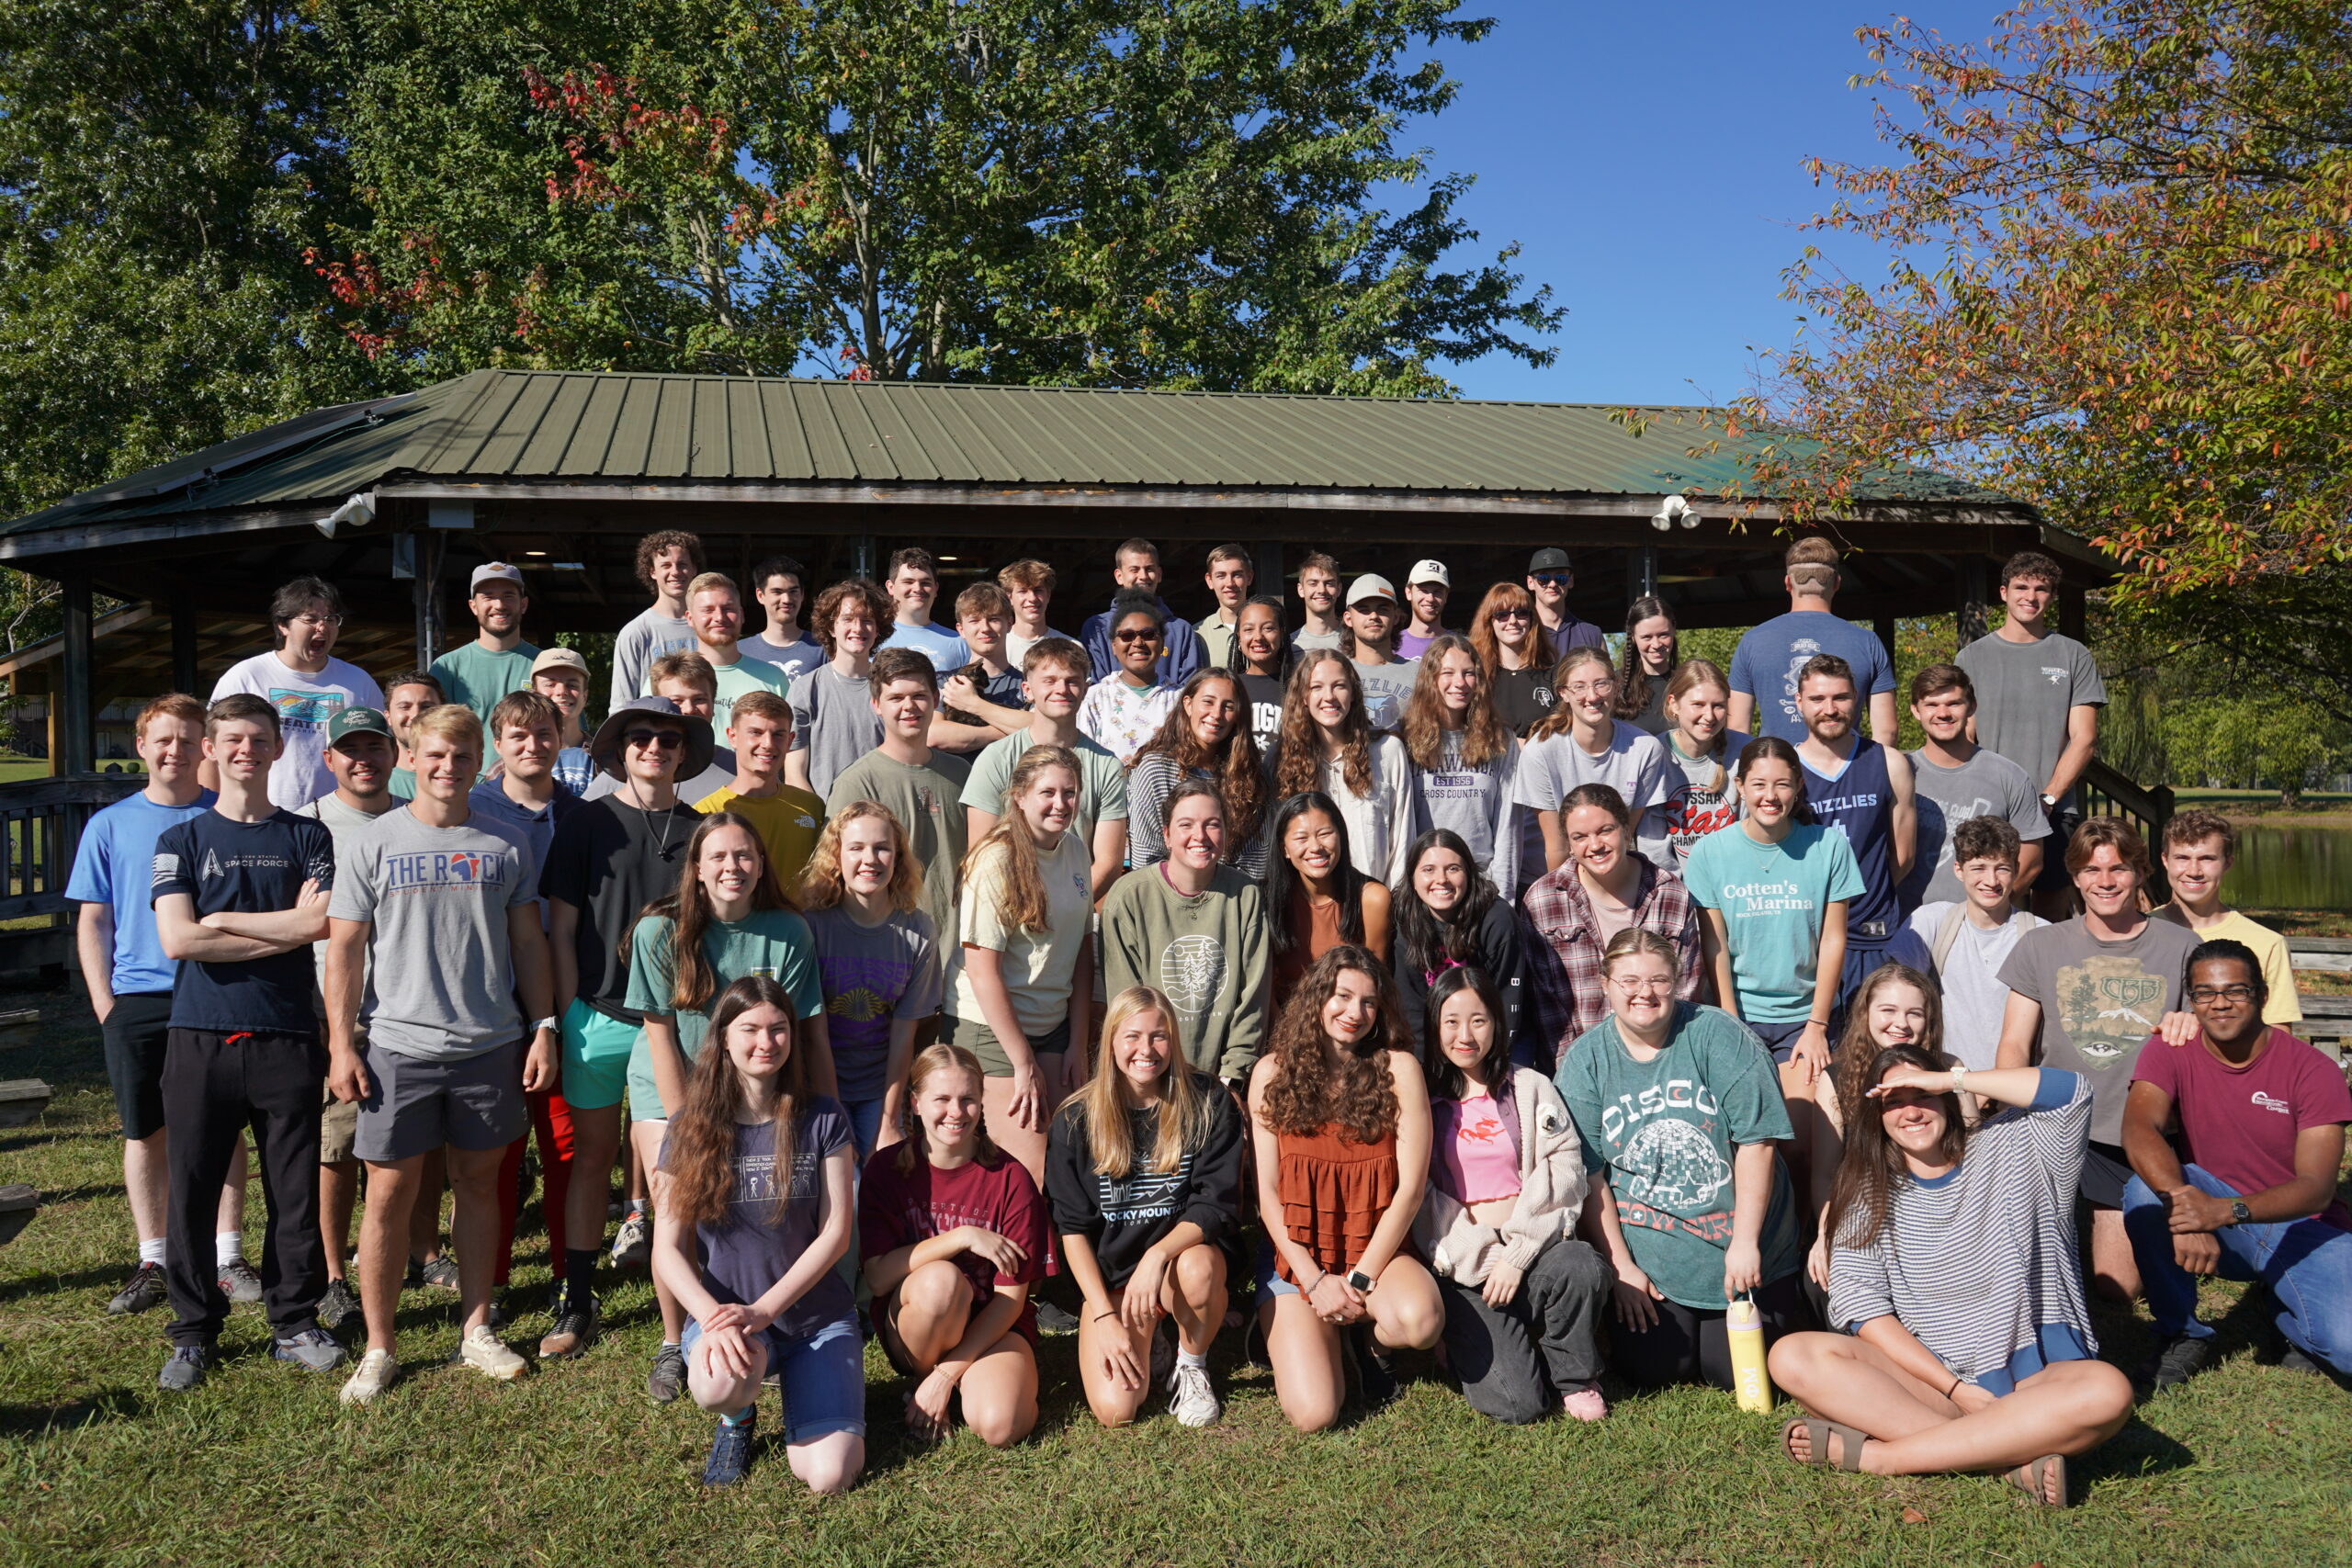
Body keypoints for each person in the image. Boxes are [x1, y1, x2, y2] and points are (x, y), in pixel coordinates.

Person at [1770, 1049, 2131, 1508]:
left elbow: (2072, 1093)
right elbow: (1861, 1306)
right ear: (1877, 1119)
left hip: (2039, 1378)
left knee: (2107, 1391)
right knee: (1792, 1356)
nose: (1911, 1111)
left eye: (1923, 1094)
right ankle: (2005, 1458)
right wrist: (1956, 1389)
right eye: (1894, 1102)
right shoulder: (1866, 1191)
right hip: (1937, 1382)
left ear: (1945, 1098)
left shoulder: (2017, 1147)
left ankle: (1883, 1457)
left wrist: (1953, 1079)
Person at [324, 704, 555, 1403]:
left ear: (480, 760)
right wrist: (340, 1044)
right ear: (410, 757)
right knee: (388, 1193)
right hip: (398, 1045)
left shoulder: (507, 843)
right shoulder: (373, 842)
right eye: (434, 754)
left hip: (490, 1044)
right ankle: (379, 1346)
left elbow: (528, 941)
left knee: (479, 1185)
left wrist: (543, 1026)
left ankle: (476, 1327)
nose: (448, 767)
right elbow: (344, 949)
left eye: (461, 755)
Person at [149, 694, 341, 1391]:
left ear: (278, 748)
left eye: (259, 739)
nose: (245, 751)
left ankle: (294, 1321)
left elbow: (318, 926)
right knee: (192, 1190)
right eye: (231, 739)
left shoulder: (308, 835)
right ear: (211, 748)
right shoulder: (181, 841)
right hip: (200, 1034)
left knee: (294, 1189)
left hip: (287, 1033)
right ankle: (193, 1332)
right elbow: (179, 939)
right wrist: (279, 927)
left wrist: (222, 919)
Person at [627, 811, 830, 1402]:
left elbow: (809, 1032)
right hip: (675, 1086)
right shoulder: (659, 933)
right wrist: (687, 1130)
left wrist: (832, 1116)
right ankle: (677, 1340)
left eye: (744, 855)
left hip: (759, 1088)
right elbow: (660, 1033)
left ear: (761, 866)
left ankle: (768, 1321)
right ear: (696, 869)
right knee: (678, 1203)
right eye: (717, 856)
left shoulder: (788, 931)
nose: (731, 867)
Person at [537, 693, 712, 1359]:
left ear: (683, 752)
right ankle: (578, 1297)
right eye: (641, 737)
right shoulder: (586, 822)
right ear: (620, 749)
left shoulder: (703, 831)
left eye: (668, 739)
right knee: (590, 1159)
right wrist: (564, 1015)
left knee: (676, 1171)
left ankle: (690, 1309)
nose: (654, 748)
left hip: (673, 1021)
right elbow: (561, 929)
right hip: (597, 1014)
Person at [1560, 929, 1808, 1391]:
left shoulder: (1720, 1036)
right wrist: (1622, 1268)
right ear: (1605, 983)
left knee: (1732, 1373)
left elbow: (1758, 1143)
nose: (1644, 993)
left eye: (1658, 980)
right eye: (1629, 980)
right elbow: (1591, 1176)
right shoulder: (1585, 1062)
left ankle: (1778, 1295)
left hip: (1738, 1241)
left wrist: (1745, 1243)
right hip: (1656, 1251)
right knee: (1655, 1369)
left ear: (1677, 981)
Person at [651, 976, 863, 1493]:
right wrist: (713, 1319)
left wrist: (765, 1310)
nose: (766, 1042)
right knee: (718, 1384)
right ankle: (738, 1416)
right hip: (730, 1319)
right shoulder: (688, 1128)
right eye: (750, 1029)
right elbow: (667, 1250)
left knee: (830, 1476)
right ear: (723, 1038)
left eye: (778, 1028)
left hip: (816, 1318)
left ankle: (806, 1384)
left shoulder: (824, 1118)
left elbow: (836, 1233)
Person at [67, 694, 238, 1318]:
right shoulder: (109, 825)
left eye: (188, 740)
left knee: (224, 1125)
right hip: (137, 996)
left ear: (206, 749)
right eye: (163, 740)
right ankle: (154, 1258)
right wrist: (105, 1003)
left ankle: (228, 1255)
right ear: (141, 746)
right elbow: (94, 920)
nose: (176, 751)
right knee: (145, 1129)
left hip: (216, 992)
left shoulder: (225, 815)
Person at [2122, 939, 2352, 1387]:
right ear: (2191, 1000)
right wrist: (2186, 1205)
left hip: (2302, 1226)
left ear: (2262, 995)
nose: (2220, 1003)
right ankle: (2181, 1332)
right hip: (2215, 1214)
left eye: (2236, 990)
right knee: (2144, 1189)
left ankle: (2283, 1311)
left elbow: (2317, 1188)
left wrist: (2222, 1211)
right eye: (2205, 993)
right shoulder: (2170, 1050)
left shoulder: (2313, 1070)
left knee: (2346, 1350)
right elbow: (2139, 1129)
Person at [1994, 817, 2198, 1301]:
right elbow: (2015, 1043)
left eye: (2118, 869)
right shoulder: (2041, 945)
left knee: (2117, 1290)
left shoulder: (2184, 947)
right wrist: (2006, 1121)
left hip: (2130, 1131)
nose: (2105, 881)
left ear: (2141, 873)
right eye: (2091, 870)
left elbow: (2213, 1038)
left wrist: (2193, 1026)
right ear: (2075, 877)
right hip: (2056, 1120)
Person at [1249, 946, 1445, 1426]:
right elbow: (1267, 1196)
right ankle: (1291, 1327)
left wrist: (1358, 1281)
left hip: (1375, 1254)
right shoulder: (1271, 1073)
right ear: (1317, 997)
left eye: (1369, 1002)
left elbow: (1410, 1191)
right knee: (1315, 1414)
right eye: (1342, 996)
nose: (1354, 1012)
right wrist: (1315, 1282)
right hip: (1297, 1262)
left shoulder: (1399, 1070)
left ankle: (1371, 1342)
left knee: (1422, 1323)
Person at [1415, 966, 1613, 1424]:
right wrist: (1487, 1260)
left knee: (1580, 1264)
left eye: (1479, 1020)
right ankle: (1478, 1339)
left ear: (1498, 1023)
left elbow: (1564, 1168)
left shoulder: (1531, 1086)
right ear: (1434, 1026)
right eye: (1451, 1022)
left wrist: (1518, 1254)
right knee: (1519, 1404)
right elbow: (1418, 1196)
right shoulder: (1422, 1098)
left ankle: (1576, 1376)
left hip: (1535, 1249)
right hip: (1465, 1266)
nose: (1466, 1035)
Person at [1049, 986, 1247, 1427]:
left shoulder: (1207, 1101)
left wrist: (1157, 1256)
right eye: (1132, 1036)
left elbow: (1216, 1205)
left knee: (1200, 1269)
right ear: (1110, 1042)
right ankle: (1155, 1334)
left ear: (1173, 1040)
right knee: (1117, 1411)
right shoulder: (1075, 1119)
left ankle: (1190, 1364)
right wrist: (1104, 1314)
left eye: (1159, 1036)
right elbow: (1072, 1229)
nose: (1147, 1050)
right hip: (1117, 1280)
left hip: (1178, 1266)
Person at [860, 1042, 1046, 1448]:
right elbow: (877, 1278)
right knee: (941, 1281)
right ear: (915, 1103)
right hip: (918, 1326)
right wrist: (962, 1236)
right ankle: (923, 1379)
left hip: (992, 1325)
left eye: (967, 1099)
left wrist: (948, 1374)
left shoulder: (1011, 1178)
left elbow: (1011, 1299)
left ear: (982, 1102)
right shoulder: (885, 1170)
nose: (956, 1112)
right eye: (941, 1099)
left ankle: (946, 1384)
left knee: (1002, 1425)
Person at [467, 691, 584, 1309]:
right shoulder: (473, 810)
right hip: (491, 1001)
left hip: (565, 1000)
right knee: (497, 1150)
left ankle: (568, 1271)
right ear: (498, 743)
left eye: (543, 733)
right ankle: (493, 1277)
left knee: (565, 1145)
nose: (532, 745)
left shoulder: (583, 814)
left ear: (560, 739)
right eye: (518, 735)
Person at [945, 745, 1096, 1179]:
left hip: (1053, 1023)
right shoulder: (995, 859)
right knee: (1029, 1168)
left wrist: (1077, 1042)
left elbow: (1082, 949)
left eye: (1070, 793)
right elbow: (982, 971)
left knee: (1072, 1153)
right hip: (992, 1027)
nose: (1061, 804)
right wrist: (1023, 1062)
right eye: (1048, 792)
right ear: (1019, 796)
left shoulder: (1075, 850)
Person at [297, 707, 403, 1322]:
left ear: (394, 753)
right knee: (335, 1144)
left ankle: (423, 1249)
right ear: (329, 758)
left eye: (375, 746)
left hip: (407, 1003)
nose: (364, 759)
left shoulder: (416, 815)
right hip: (336, 1006)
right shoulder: (308, 824)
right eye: (351, 749)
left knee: (412, 1143)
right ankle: (334, 1271)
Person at [1683, 739, 1862, 1077]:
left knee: (1802, 1109)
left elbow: (1833, 939)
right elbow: (1714, 945)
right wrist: (1731, 1024)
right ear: (1740, 786)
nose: (1770, 796)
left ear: (1799, 786)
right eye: (1759, 784)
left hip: (1805, 1019)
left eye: (1782, 784)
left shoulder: (1829, 847)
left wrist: (1817, 1025)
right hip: (1739, 1015)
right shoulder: (1709, 852)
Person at [1955, 551, 2103, 918]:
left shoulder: (2073, 655)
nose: (2030, 597)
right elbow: (1965, 736)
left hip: (2055, 807)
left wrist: (2048, 799)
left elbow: (2084, 738)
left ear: (2052, 596)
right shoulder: (1971, 657)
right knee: (1992, 905)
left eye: (2041, 589)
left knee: (2050, 911)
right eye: (2021, 587)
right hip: (1989, 806)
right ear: (2004, 592)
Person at [1102, 781, 1271, 1089]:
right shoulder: (1129, 897)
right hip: (1150, 1075)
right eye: (1186, 825)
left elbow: (1253, 996)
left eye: (1212, 825)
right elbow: (1126, 1005)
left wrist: (1232, 1076)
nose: (1200, 836)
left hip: (1222, 1080)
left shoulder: (1245, 894)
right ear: (1166, 834)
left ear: (1226, 833)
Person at [798, 803, 944, 1156]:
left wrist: (890, 1120)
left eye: (882, 848)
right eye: (856, 848)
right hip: (816, 1085)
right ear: (837, 856)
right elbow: (814, 1033)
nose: (870, 859)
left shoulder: (918, 930)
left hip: (880, 1087)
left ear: (897, 857)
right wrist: (834, 1117)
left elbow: (904, 1035)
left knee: (880, 1174)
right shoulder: (812, 926)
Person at [1521, 784, 1702, 1067]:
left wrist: (1655, 1065)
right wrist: (1577, 1072)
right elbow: (1546, 1007)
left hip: (1658, 1061)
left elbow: (1683, 991)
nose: (1595, 845)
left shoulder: (1670, 894)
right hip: (1576, 1066)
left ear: (1626, 831)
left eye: (1605, 831)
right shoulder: (1543, 900)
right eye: (1580, 837)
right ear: (1569, 844)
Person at [962, 637, 1129, 900]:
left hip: (1076, 906)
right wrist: (1025, 909)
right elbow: (981, 851)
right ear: (1027, 690)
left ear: (1085, 690)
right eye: (1049, 681)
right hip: (1008, 904)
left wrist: (1066, 908)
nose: (1061, 689)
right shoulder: (995, 758)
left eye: (1072, 681)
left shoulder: (1107, 766)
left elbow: (1108, 862)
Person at [827, 649, 970, 953]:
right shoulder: (857, 783)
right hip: (891, 953)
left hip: (962, 953)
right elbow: (836, 879)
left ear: (935, 698)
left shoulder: (962, 774)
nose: (909, 706)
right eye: (896, 698)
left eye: (919, 695)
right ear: (876, 705)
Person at [1792, 654, 1917, 994]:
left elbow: (1904, 857)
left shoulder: (1889, 763)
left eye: (1840, 697)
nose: (1829, 709)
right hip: (1804, 939)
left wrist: (1863, 895)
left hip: (1872, 935)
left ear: (1856, 699)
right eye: (1818, 698)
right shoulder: (1784, 770)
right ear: (1799, 702)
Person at [209, 575, 385, 809]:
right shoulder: (247, 676)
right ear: (283, 625)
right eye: (311, 619)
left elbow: (384, 749)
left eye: (331, 619)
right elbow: (211, 756)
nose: (322, 627)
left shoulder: (358, 681)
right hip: (262, 815)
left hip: (339, 817)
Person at [1887, 817, 2045, 1071]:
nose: (1991, 881)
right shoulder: (1933, 920)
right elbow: (1894, 991)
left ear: (2016, 869)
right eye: (1979, 868)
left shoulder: (2039, 933)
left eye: (2002, 869)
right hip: (1944, 1079)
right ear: (1959, 870)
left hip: (2016, 1081)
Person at [1901, 663, 2047, 910]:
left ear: (1972, 706)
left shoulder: (2009, 776)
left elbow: (2031, 860)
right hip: (1907, 923)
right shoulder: (1899, 774)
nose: (1943, 713)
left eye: (1954, 703)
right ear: (1916, 710)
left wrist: (1988, 910)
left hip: (1983, 923)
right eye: (1932, 705)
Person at [1516, 645, 1673, 871]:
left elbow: (1624, 837)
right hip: (1557, 872)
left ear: (1615, 686)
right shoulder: (1540, 752)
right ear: (1563, 693)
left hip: (1615, 869)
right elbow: (1557, 847)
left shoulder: (1645, 749)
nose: (1592, 696)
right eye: (1579, 687)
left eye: (1601, 684)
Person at [1726, 536, 1896, 744]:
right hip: (1847, 762)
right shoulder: (1867, 642)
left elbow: (1737, 729)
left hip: (1775, 763)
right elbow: (1887, 732)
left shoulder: (1753, 641)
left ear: (1788, 583)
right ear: (1837, 582)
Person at [1270, 650, 1414, 886]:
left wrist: (1391, 902)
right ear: (1304, 696)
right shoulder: (1284, 759)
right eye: (1316, 687)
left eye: (1339, 686)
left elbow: (1403, 839)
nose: (1329, 697)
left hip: (1375, 900)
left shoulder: (1388, 751)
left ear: (1353, 693)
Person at [2151, 809, 2302, 1031]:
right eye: (2182, 858)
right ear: (2165, 860)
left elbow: (2279, 1034)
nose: (2193, 871)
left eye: (2207, 859)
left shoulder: (2267, 944)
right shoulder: (2138, 930)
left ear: (2228, 862)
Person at [1400, 633, 1522, 897]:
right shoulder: (1404, 738)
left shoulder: (1500, 739)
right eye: (1448, 673)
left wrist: (1502, 895)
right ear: (1430, 678)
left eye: (1469, 673)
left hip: (1481, 885)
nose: (1460, 682)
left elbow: (1508, 825)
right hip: (1424, 886)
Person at [1392, 829, 1528, 1060]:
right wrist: (1430, 1073)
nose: (1441, 879)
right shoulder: (1404, 919)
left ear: (1469, 874)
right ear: (1412, 878)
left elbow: (1507, 1005)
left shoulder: (1497, 919)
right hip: (1434, 1048)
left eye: (1453, 869)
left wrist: (1486, 1068)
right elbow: (1412, 1012)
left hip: (1495, 1044)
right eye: (1428, 870)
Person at [1127, 669, 1269, 879]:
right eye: (1208, 702)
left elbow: (1255, 864)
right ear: (1188, 704)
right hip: (1165, 892)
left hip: (1232, 894)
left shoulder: (1250, 774)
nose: (1216, 714)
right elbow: (1146, 860)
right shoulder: (1155, 769)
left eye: (1228, 706)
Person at [1265, 791, 1391, 1010]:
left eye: (1324, 834)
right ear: (1284, 848)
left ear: (1341, 837)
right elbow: (1264, 991)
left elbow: (1374, 985)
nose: (1315, 847)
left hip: (1350, 1020)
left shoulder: (1372, 899)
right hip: (1283, 1021)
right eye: (1301, 838)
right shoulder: (1266, 900)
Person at [696, 690, 826, 890]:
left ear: (790, 740)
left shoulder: (811, 806)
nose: (768, 744)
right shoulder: (706, 813)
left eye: (778, 735)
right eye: (756, 733)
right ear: (732, 736)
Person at [786, 578, 890, 799]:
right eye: (847, 619)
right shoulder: (805, 689)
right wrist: (817, 815)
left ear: (877, 629)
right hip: (826, 815)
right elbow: (794, 774)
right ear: (831, 628)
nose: (858, 628)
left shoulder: (892, 688)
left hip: (885, 813)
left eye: (867, 620)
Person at [1646, 659, 1747, 869]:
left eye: (1718, 706)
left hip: (1735, 878)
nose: (1709, 716)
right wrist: (1674, 886)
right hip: (1673, 884)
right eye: (1698, 704)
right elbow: (1653, 845)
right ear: (1674, 704)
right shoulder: (1654, 754)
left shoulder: (1746, 752)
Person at [1081, 537, 1204, 684]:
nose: (1143, 576)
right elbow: (1095, 685)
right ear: (1119, 576)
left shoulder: (1181, 630)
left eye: (1149, 569)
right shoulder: (1097, 627)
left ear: (1159, 574)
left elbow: (1191, 688)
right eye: (1134, 570)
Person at [1079, 593, 1181, 765]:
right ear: (1113, 646)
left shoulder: (1180, 700)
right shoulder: (1093, 699)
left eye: (1148, 634)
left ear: (1162, 643)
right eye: (1127, 635)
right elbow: (1084, 762)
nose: (1138, 642)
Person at [428, 561, 537, 722]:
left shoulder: (544, 664)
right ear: (473, 606)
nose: (499, 605)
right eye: (488, 597)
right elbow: (431, 730)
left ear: (523, 604)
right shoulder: (447, 668)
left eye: (508, 596)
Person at [684, 571, 790, 733]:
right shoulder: (668, 679)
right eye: (708, 610)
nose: (719, 617)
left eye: (728, 609)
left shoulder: (774, 679)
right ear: (690, 618)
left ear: (741, 615)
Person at [611, 529, 704, 706]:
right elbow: (621, 704)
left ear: (694, 568)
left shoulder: (710, 625)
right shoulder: (636, 632)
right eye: (666, 565)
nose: (675, 572)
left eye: (682, 564)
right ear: (652, 572)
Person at [933, 581, 1029, 753]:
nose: (985, 628)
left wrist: (973, 703)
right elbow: (935, 736)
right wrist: (1012, 730)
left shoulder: (1028, 683)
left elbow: (1044, 727)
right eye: (974, 620)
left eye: (993, 619)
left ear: (1009, 623)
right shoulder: (943, 681)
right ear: (961, 630)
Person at [1469, 581, 1557, 739]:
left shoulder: (1553, 676)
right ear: (1489, 621)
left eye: (1521, 613)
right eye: (1502, 614)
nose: (1512, 621)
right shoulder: (1476, 676)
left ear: (1532, 619)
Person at [1340, 573, 1416, 730]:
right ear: (1348, 619)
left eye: (1382, 609)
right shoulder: (1337, 673)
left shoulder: (1419, 674)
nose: (1374, 616)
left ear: (1396, 617)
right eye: (1364, 610)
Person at [878, 546, 971, 673]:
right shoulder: (873, 639)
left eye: (925, 583)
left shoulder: (959, 642)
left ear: (936, 588)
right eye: (908, 582)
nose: (917, 589)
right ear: (891, 587)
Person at [740, 554, 825, 682]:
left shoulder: (823, 649)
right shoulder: (741, 651)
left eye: (793, 591)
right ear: (760, 595)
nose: (786, 599)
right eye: (777, 592)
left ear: (802, 594)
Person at [529, 646, 596, 795]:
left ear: (585, 696)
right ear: (533, 693)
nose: (562, 692)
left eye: (572, 685)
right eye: (550, 684)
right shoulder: (513, 761)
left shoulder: (606, 758)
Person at [1232, 594, 1290, 748]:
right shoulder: (1230, 686)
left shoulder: (1298, 686)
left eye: (1268, 628)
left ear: (1281, 633)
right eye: (1248, 629)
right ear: (1239, 636)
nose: (1258, 637)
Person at [1613, 597, 1678, 735]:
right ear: (1633, 637)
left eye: (1663, 635)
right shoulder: (1614, 686)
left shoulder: (1687, 684)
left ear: (1673, 630)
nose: (1656, 644)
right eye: (1647, 637)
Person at [379, 670, 445, 802]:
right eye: (405, 707)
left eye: (426, 707)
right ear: (388, 717)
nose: (415, 715)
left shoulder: (466, 780)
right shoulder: (374, 783)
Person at [1523, 547, 1605, 652]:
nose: (1552, 584)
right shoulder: (1518, 632)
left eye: (1560, 578)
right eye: (1543, 579)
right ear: (1530, 582)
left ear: (1571, 580)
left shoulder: (1592, 634)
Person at [998, 558, 1077, 667]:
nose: (1032, 598)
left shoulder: (1071, 647)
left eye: (1038, 590)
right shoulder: (996, 647)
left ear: (1048, 595)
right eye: (1023, 591)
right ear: (1009, 598)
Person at [1194, 543, 1255, 671]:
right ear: (1209, 580)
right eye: (1221, 576)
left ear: (1249, 577)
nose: (1230, 583)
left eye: (1237, 575)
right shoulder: (1197, 634)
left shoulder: (1268, 629)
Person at [1292, 552, 1346, 654]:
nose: (1322, 590)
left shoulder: (1355, 640)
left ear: (1339, 589)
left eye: (1329, 583)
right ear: (1301, 590)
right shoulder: (1291, 645)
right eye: (1313, 583)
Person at [1396, 559, 1451, 660]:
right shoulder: (1391, 645)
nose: (1430, 598)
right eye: (1423, 590)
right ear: (1408, 592)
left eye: (1437, 592)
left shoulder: (1462, 646)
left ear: (1446, 595)